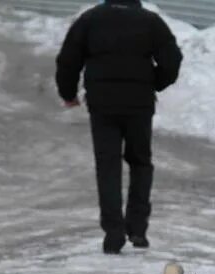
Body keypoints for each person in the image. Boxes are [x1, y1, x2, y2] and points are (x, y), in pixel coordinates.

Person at [55, 0, 183, 254]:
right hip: (139, 104)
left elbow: (68, 59)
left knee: (108, 166)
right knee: (140, 162)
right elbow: (172, 60)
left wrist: (68, 93)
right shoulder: (150, 22)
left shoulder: (90, 19)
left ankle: (113, 232)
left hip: (102, 104)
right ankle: (137, 229)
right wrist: (153, 83)